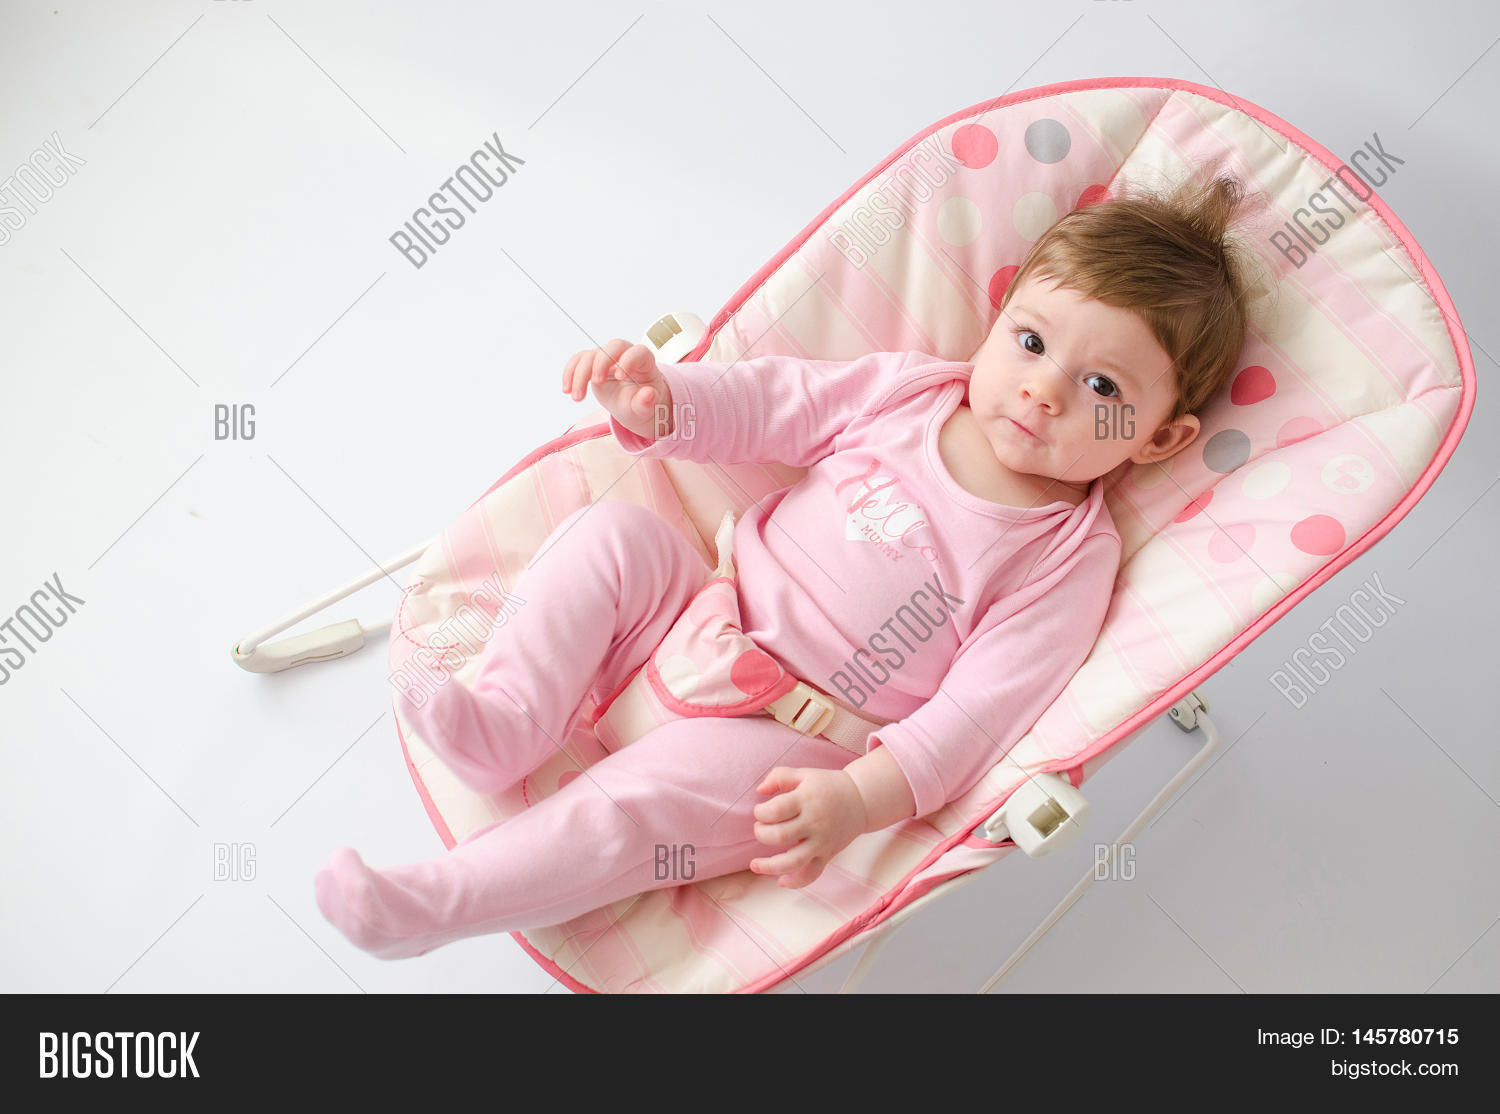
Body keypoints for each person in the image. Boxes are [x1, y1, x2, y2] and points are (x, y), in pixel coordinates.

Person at [314, 174, 1253, 960]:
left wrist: (856, 800)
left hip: (786, 739)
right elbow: (771, 405)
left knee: (634, 813)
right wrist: (661, 397)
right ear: (996, 319)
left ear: (1162, 438)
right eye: (1032, 342)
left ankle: (432, 906)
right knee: (618, 540)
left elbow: (981, 713)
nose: (1044, 389)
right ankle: (504, 724)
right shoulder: (907, 392)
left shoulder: (1066, 557)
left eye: (1102, 389)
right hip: (693, 614)